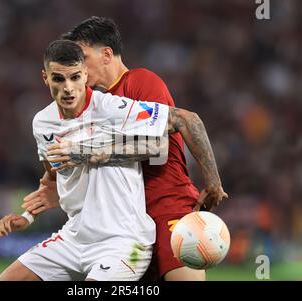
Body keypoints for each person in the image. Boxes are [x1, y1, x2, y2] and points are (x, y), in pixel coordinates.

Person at [19, 17, 228, 281]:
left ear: (106, 54)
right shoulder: (89, 104)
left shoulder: (140, 81)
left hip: (167, 206)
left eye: (82, 56)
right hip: (127, 223)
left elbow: (158, 146)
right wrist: (55, 187)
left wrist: (213, 183)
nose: (78, 65)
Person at [0, 39, 170, 281]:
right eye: (58, 79)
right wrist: (27, 217)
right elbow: (53, 177)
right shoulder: (42, 123)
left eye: (75, 77)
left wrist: (92, 151)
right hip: (73, 238)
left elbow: (161, 146)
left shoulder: (112, 108)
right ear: (45, 78)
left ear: (85, 75)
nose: (68, 87)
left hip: (122, 241)